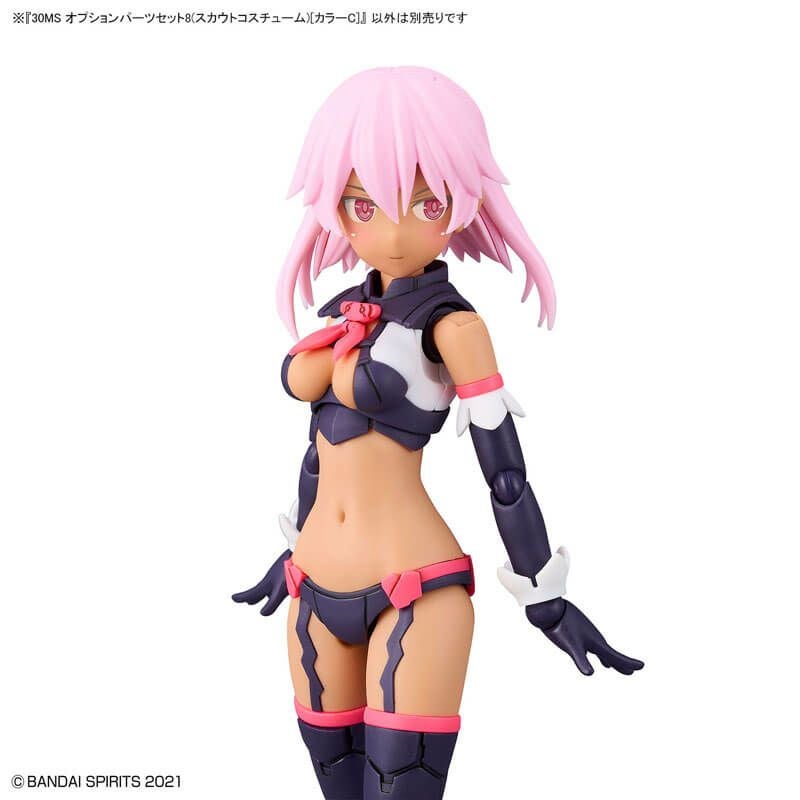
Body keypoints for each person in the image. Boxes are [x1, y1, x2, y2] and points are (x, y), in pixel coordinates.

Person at [233, 65, 643, 800]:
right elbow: (322, 447)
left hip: (413, 591)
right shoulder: (342, 312)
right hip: (311, 590)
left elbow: (505, 473)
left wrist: (543, 595)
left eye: (427, 203)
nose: (392, 232)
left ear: (465, 201)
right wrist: (292, 546)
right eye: (362, 205)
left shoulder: (453, 328)